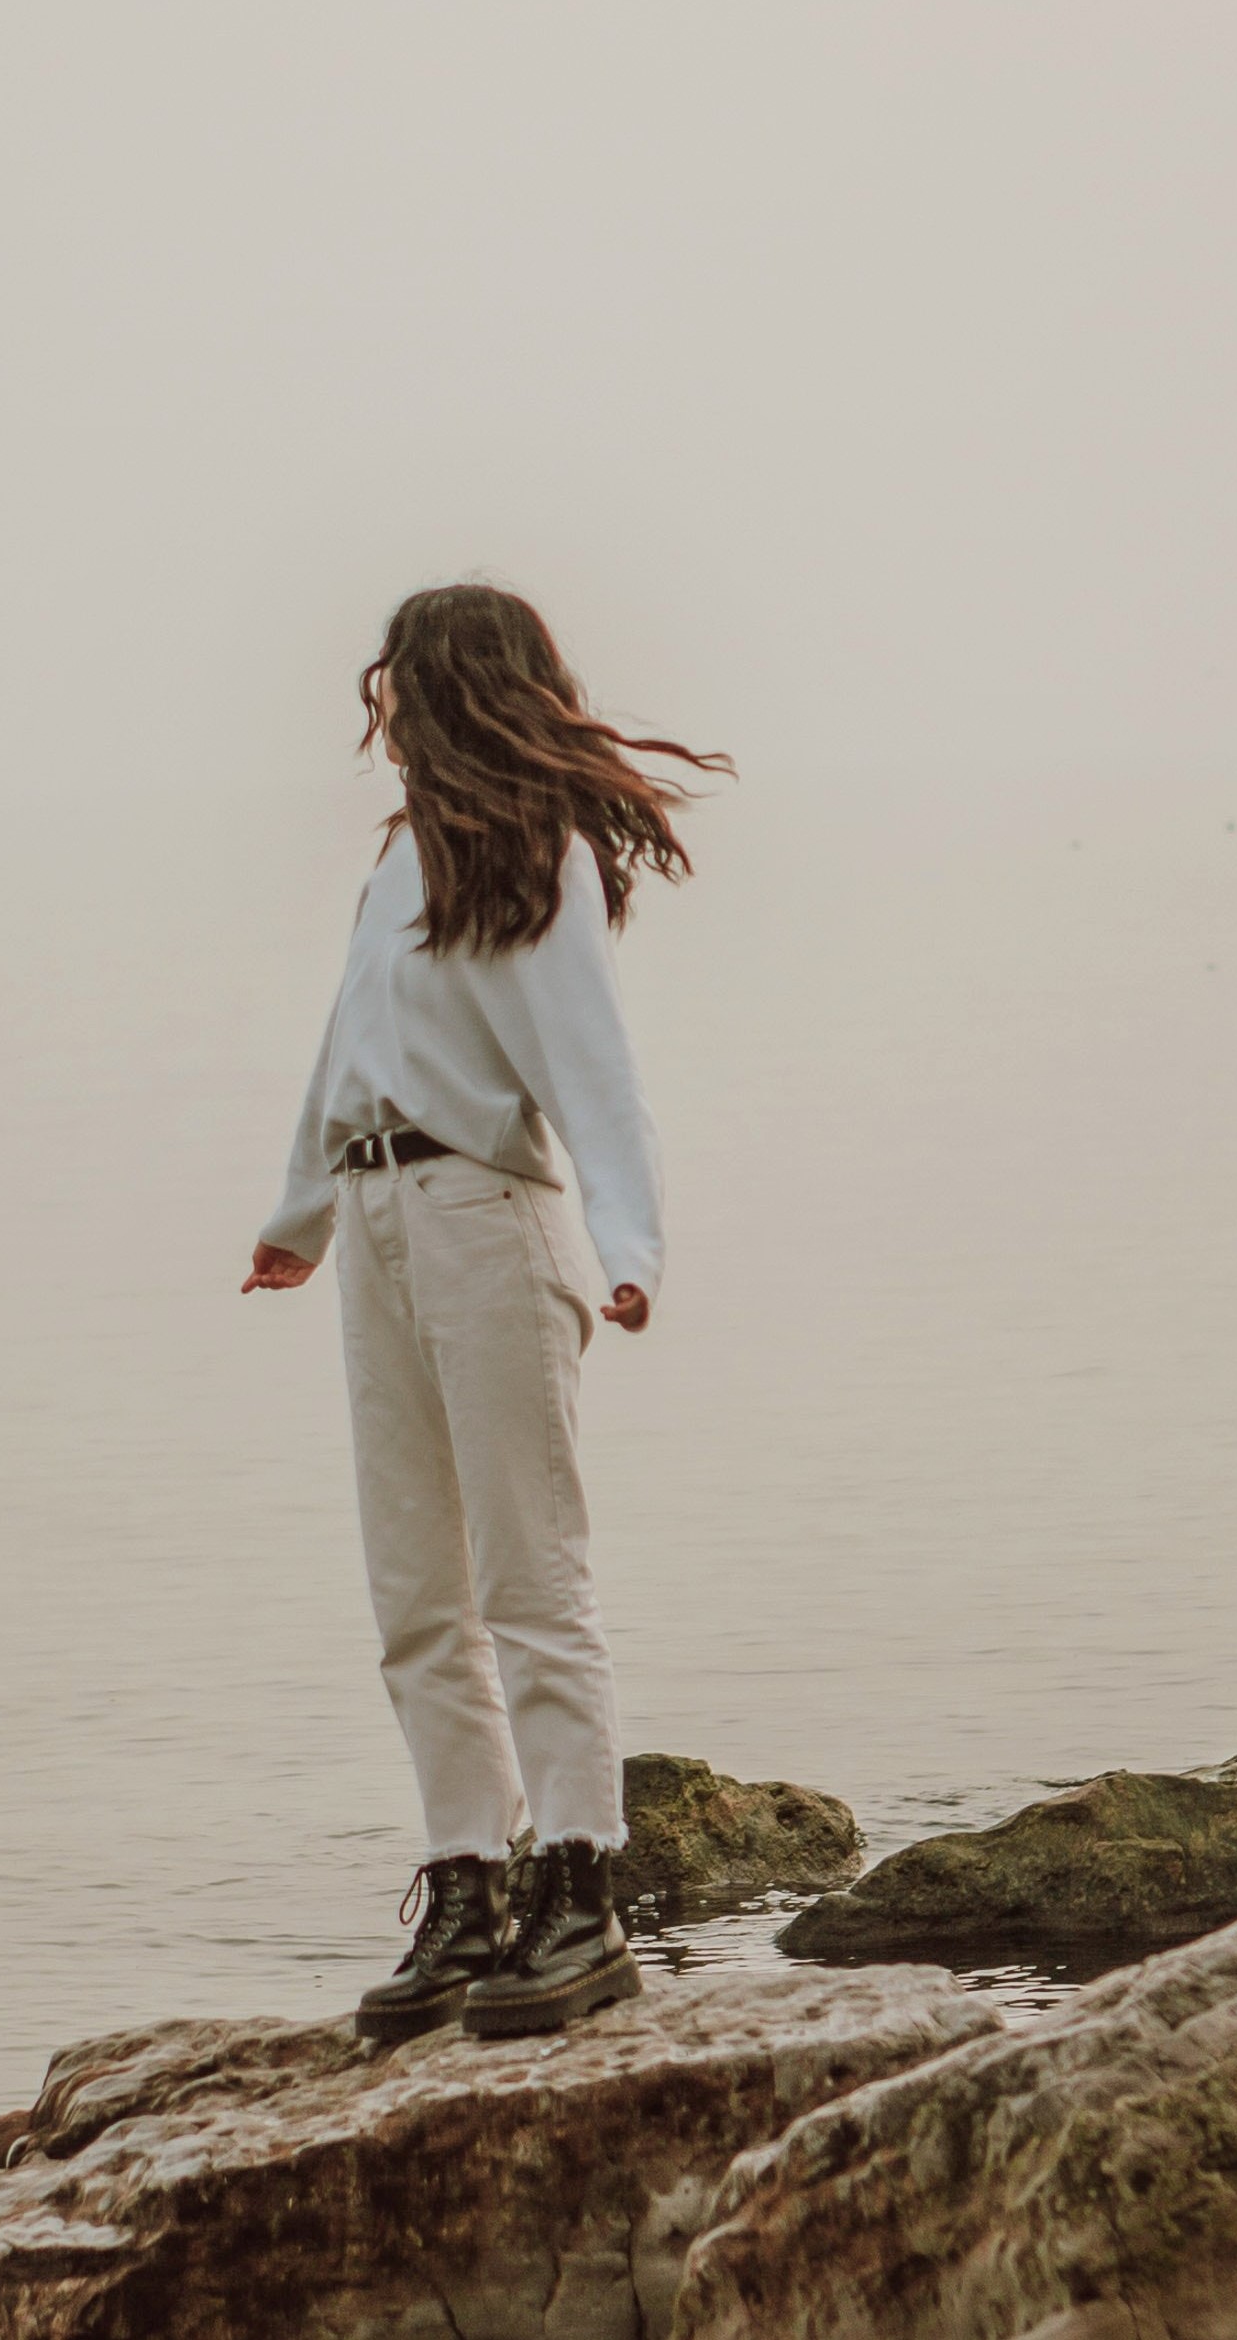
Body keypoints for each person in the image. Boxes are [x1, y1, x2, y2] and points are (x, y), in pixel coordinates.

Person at [241, 583, 728, 2043]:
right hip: (382, 1218)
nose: (378, 700)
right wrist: (299, 1219)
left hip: (485, 1221)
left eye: (397, 676)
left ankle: (576, 1890)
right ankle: (464, 1883)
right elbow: (346, 1047)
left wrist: (630, 1244)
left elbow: (594, 1061)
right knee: (411, 1591)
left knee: (530, 1572)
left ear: (453, 687)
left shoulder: (542, 854)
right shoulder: (392, 868)